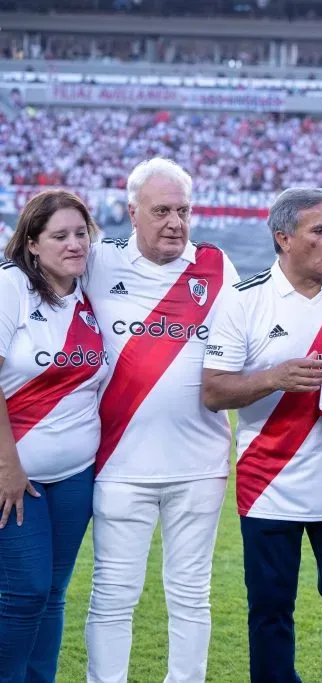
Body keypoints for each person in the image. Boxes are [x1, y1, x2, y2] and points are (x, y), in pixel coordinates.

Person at [202, 187, 322, 683]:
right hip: (269, 490)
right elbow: (213, 392)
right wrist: (274, 378)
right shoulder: (243, 302)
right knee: (269, 616)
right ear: (283, 238)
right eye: (320, 230)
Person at [83, 158, 239, 683]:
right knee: (112, 595)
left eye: (183, 210)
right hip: (118, 464)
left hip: (200, 466)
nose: (175, 222)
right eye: (162, 211)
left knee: (191, 595)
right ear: (132, 213)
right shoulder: (97, 262)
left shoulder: (217, 267)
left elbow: (246, 348)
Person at [0, 190, 106, 682]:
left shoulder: (93, 294)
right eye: (59, 235)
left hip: (76, 477)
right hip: (17, 477)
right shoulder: (11, 286)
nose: (74, 244)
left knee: (54, 592)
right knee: (24, 592)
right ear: (33, 244)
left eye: (81, 233)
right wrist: (8, 468)